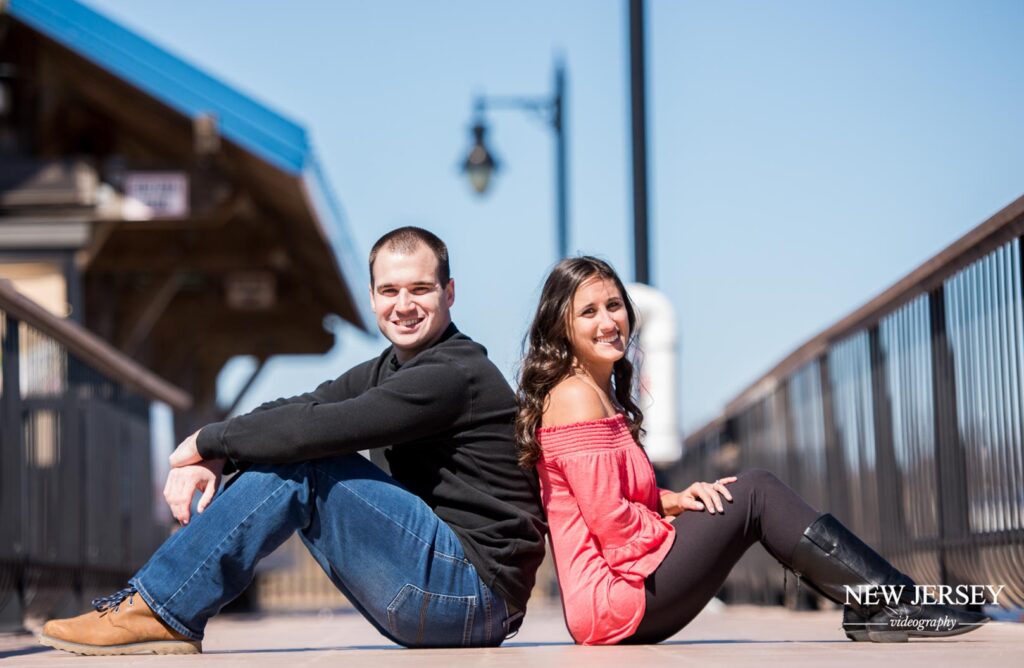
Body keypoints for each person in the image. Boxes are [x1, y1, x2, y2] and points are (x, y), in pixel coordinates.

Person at [40, 227, 546, 656]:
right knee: (293, 449)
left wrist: (206, 441)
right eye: (389, 291)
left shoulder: (453, 374)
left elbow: (317, 430)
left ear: (449, 293)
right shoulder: (390, 368)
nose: (404, 305)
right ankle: (156, 606)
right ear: (372, 297)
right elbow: (303, 406)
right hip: (447, 594)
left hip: (471, 597)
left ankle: (159, 609)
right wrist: (214, 450)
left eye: (421, 289)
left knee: (308, 463)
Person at [515, 255, 988, 646]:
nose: (608, 322)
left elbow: (610, 498)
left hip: (622, 595)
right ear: (562, 326)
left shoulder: (599, 393)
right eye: (589, 312)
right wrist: (682, 532)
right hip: (612, 600)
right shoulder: (574, 396)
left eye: (614, 305)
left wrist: (677, 501)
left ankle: (881, 603)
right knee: (755, 493)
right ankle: (896, 602)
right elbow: (612, 527)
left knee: (748, 493)